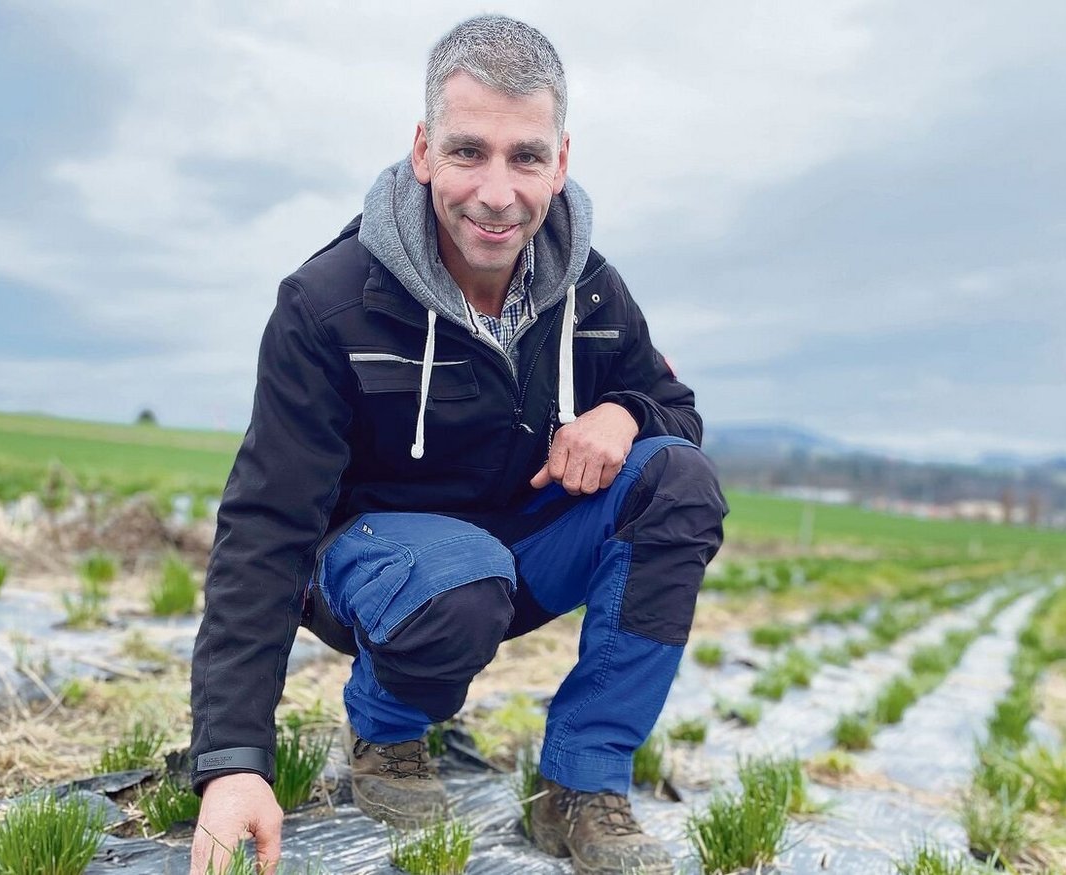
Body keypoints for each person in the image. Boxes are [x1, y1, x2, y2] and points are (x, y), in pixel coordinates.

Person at [187, 14, 726, 875]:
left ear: (561, 160)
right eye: (469, 151)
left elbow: (677, 413)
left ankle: (580, 788)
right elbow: (266, 527)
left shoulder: (590, 289)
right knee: (462, 576)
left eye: (526, 157)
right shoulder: (329, 304)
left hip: (512, 553)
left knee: (681, 484)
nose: (498, 192)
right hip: (380, 570)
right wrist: (234, 764)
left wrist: (624, 413)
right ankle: (386, 730)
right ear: (423, 150)